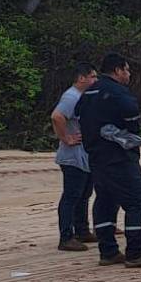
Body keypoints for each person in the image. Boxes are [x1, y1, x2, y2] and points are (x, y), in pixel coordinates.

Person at [77, 53, 141, 268]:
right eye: (127, 70)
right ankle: (136, 252)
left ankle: (108, 250)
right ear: (118, 70)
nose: (128, 74)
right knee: (137, 201)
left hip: (95, 158)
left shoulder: (88, 92)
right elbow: (132, 124)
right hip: (120, 158)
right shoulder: (119, 94)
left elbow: (78, 115)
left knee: (105, 201)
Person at [51, 62, 98, 252]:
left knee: (84, 193)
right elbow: (57, 116)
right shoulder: (71, 97)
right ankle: (66, 236)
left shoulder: (81, 96)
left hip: (83, 156)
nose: (96, 80)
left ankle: (82, 230)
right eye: (93, 77)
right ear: (82, 78)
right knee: (71, 195)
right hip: (72, 157)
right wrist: (65, 138)